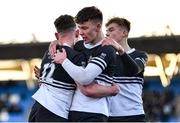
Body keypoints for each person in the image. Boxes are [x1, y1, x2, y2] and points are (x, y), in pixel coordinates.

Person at [30, 14, 119, 122]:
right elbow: (86, 86)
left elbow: (42, 81)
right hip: (54, 110)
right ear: (77, 33)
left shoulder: (48, 52)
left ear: (56, 35)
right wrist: (113, 89)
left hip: (36, 106)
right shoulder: (75, 56)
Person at [53, 6, 117, 122]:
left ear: (98, 27)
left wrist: (64, 61)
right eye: (79, 28)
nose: (81, 33)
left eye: (85, 28)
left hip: (94, 113)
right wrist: (54, 43)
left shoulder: (107, 49)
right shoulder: (78, 46)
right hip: (73, 111)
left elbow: (85, 78)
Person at [103, 17, 148, 122]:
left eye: (111, 30)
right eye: (106, 31)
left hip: (134, 116)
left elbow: (135, 69)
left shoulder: (140, 55)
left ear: (124, 33)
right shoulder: (105, 57)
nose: (107, 34)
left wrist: (120, 50)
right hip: (110, 116)